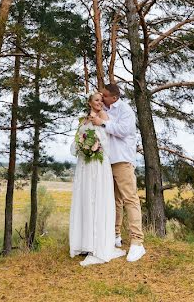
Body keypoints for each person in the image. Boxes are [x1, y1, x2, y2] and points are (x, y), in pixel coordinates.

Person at [68, 92, 126, 265]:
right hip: (85, 165)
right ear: (90, 102)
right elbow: (77, 140)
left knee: (97, 199)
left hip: (99, 164)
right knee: (85, 199)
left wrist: (96, 147)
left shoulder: (103, 116)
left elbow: (107, 139)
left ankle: (98, 244)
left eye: (102, 100)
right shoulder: (84, 120)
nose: (100, 103)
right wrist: (83, 146)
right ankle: (85, 243)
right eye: (96, 100)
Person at [92, 83, 146, 262]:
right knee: (114, 201)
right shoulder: (103, 107)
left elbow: (123, 131)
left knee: (130, 199)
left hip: (122, 160)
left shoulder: (125, 111)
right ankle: (115, 235)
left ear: (114, 97)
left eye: (105, 95)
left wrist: (103, 123)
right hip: (107, 162)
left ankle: (137, 242)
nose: (103, 97)